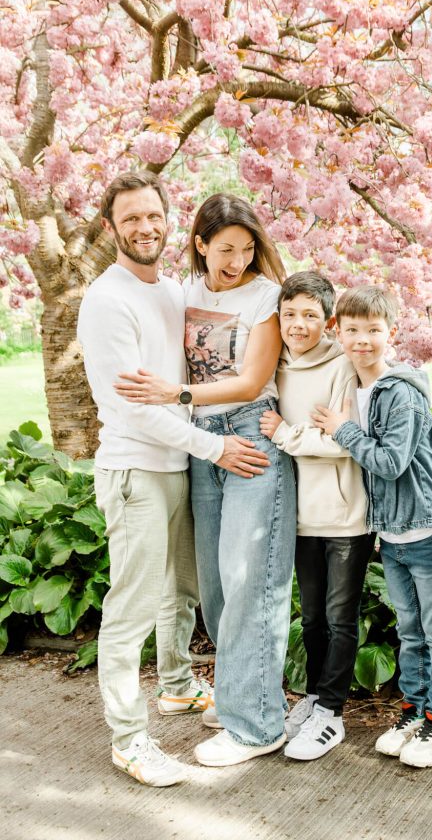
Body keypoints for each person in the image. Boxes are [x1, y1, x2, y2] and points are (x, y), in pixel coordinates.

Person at [77, 172, 269, 788]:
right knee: (131, 608)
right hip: (137, 468)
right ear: (111, 227)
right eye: (130, 219)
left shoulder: (168, 290)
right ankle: (130, 740)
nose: (143, 228)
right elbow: (133, 407)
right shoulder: (107, 300)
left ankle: (180, 687)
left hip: (177, 463)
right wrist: (214, 447)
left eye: (152, 216)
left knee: (180, 592)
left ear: (169, 221)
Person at [114, 193, 297, 768]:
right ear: (199, 244)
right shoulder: (185, 292)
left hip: (249, 439)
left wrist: (177, 394)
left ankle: (257, 725)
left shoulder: (265, 297)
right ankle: (244, 695)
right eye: (225, 249)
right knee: (218, 586)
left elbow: (250, 381)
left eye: (247, 249)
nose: (237, 260)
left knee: (251, 581)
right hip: (203, 446)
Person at [312, 286, 432, 769]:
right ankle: (415, 712)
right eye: (352, 330)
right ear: (338, 332)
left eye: (373, 330)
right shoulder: (353, 387)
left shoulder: (399, 392)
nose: (362, 340)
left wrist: (344, 429)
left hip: (427, 531)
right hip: (395, 536)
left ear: (391, 333)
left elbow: (392, 462)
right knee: (411, 632)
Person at [258, 271, 373, 761]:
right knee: (312, 620)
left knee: (340, 617)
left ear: (327, 321)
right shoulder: (273, 365)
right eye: (289, 315)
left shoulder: (342, 368)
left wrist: (287, 433)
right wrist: (305, 433)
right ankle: (312, 699)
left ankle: (332, 712)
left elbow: (345, 444)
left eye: (309, 315)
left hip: (346, 516)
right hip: (299, 516)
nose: (298, 325)